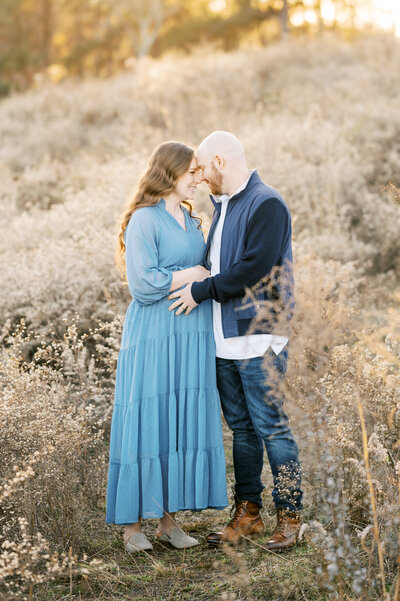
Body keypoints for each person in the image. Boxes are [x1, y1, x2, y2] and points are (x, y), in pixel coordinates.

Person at [168, 131, 303, 551]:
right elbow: (217, 265)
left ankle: (291, 517)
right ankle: (249, 514)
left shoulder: (267, 203)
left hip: (259, 337)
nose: (201, 177)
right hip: (224, 339)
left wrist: (200, 291)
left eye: (203, 168)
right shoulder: (223, 206)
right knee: (242, 430)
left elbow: (254, 269)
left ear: (221, 162)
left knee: (272, 427)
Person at [106, 141, 228, 553]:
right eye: (191, 172)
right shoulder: (144, 220)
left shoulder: (193, 221)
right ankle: (132, 528)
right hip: (155, 333)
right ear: (169, 173)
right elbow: (142, 285)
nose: (198, 179)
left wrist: (203, 270)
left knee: (178, 419)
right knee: (149, 418)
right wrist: (189, 273)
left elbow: (211, 272)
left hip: (191, 334)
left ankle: (169, 523)